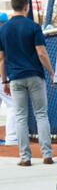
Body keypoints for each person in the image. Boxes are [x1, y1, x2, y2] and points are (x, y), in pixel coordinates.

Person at [0, 0, 54, 166]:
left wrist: (4, 81)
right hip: (35, 76)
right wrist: (52, 73)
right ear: (26, 6)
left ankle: (25, 157)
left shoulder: (3, 29)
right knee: (41, 114)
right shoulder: (33, 26)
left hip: (15, 78)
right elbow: (41, 53)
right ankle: (47, 154)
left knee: (21, 116)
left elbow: (2, 58)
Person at [0, 12, 17, 146]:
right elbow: (2, 59)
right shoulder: (4, 34)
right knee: (12, 105)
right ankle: (11, 138)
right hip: (2, 76)